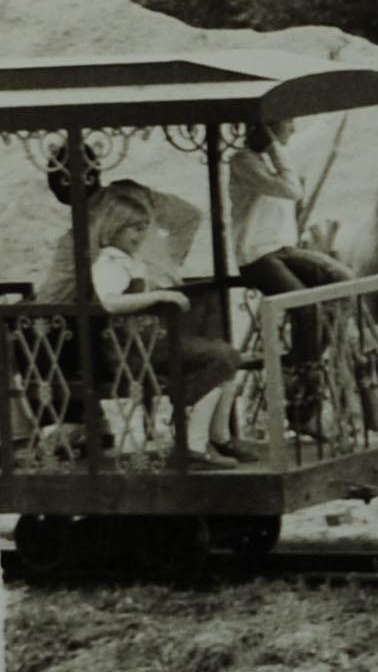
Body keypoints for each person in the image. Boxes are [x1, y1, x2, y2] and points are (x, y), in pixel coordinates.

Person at [37, 183, 242, 459]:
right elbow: (110, 301)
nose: (141, 235)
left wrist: (164, 280)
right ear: (114, 228)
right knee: (221, 357)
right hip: (130, 349)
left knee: (226, 361)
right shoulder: (109, 261)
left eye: (145, 227)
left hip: (148, 341)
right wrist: (158, 295)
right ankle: (191, 439)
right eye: (134, 228)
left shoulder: (131, 261)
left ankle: (214, 436)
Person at [228, 118, 353, 382]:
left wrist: (274, 150)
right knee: (304, 305)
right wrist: (273, 146)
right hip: (256, 256)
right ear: (269, 128)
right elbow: (292, 190)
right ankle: (304, 375)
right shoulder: (243, 161)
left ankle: (312, 360)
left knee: (343, 281)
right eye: (288, 123)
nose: (293, 130)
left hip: (283, 250)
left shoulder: (273, 162)